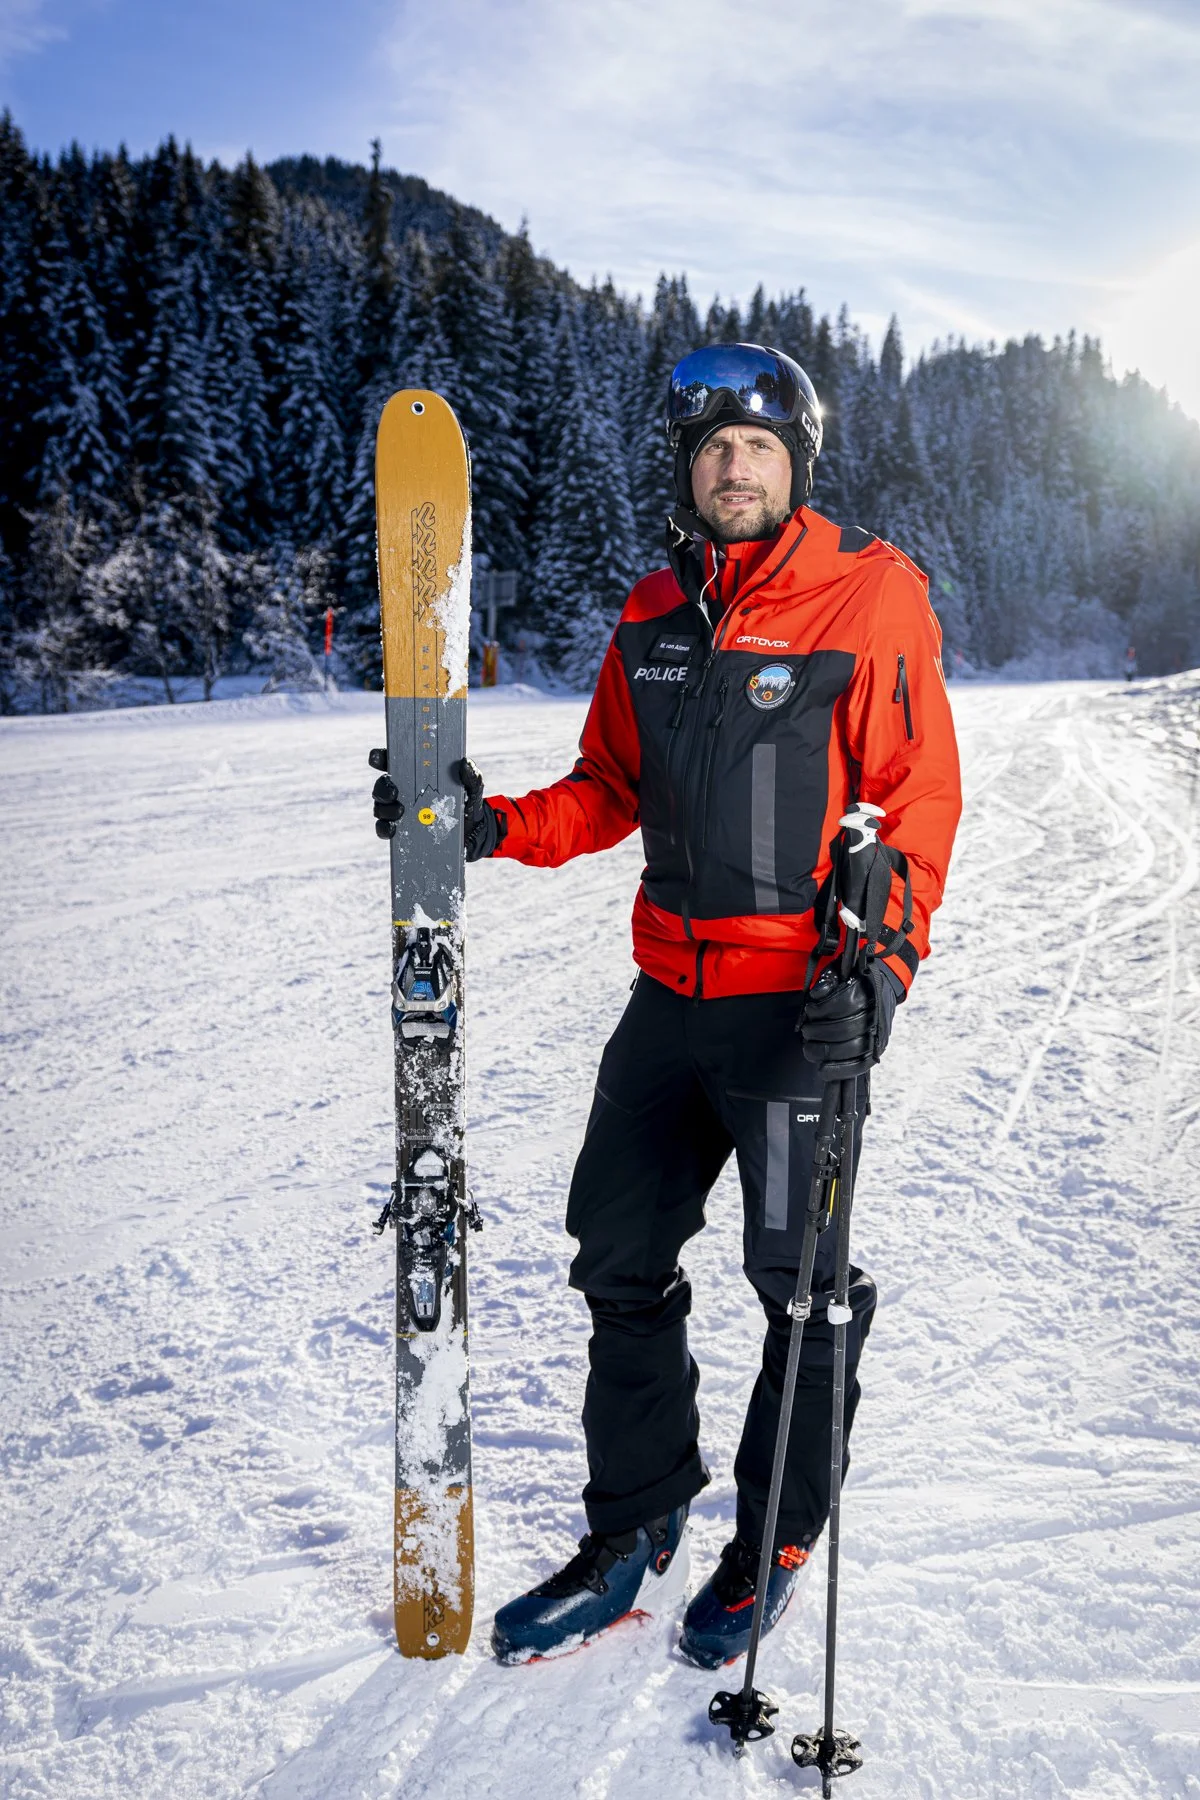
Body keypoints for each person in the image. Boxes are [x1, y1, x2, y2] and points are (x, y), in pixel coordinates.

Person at [436, 343, 962, 1665]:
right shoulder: (652, 613)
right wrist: (492, 824)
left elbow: (919, 801)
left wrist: (881, 972)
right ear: (689, 466)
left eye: (760, 447)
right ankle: (636, 1526)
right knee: (616, 1260)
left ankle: (774, 1538)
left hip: (797, 1015)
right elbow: (606, 789)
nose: (735, 466)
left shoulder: (872, 594)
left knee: (804, 1291)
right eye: (713, 447)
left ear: (796, 462)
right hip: (667, 1006)